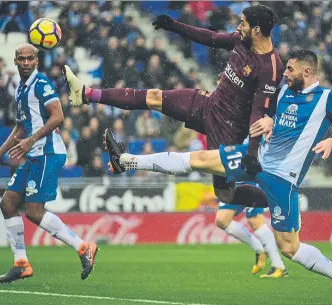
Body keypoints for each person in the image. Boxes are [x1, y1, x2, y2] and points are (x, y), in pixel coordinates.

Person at [104, 50, 332, 304]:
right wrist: (269, 120)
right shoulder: (284, 91)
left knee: (289, 248)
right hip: (257, 157)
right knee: (201, 159)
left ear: (307, 71)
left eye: (290, 69)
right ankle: (126, 161)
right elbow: (270, 114)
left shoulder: (328, 98)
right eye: (285, 67)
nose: (285, 73)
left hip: (284, 178)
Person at [65, 4, 285, 276]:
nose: (238, 26)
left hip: (229, 130)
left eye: (242, 22)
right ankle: (85, 93)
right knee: (154, 97)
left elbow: (258, 111)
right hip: (207, 104)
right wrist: (175, 27)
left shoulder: (271, 67)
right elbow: (212, 39)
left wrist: (252, 151)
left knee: (224, 195)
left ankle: (278, 200)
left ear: (257, 29)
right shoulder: (241, 39)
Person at [0, 44, 98, 283]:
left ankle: (83, 247)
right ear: (15, 61)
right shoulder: (21, 90)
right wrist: (0, 153)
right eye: (21, 59)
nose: (26, 63)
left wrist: (30, 141)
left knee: (34, 212)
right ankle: (21, 263)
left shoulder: (42, 84)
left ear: (36, 61)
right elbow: (20, 126)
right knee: (7, 203)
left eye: (30, 59)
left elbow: (58, 116)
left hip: (48, 152)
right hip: (34, 153)